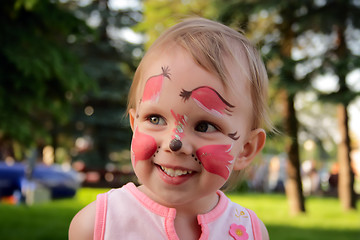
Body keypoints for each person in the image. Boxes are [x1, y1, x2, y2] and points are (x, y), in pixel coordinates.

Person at [69, 17, 270, 240]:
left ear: (246, 149)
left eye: (204, 126)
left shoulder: (250, 231)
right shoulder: (98, 226)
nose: (175, 143)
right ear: (135, 126)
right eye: (155, 119)